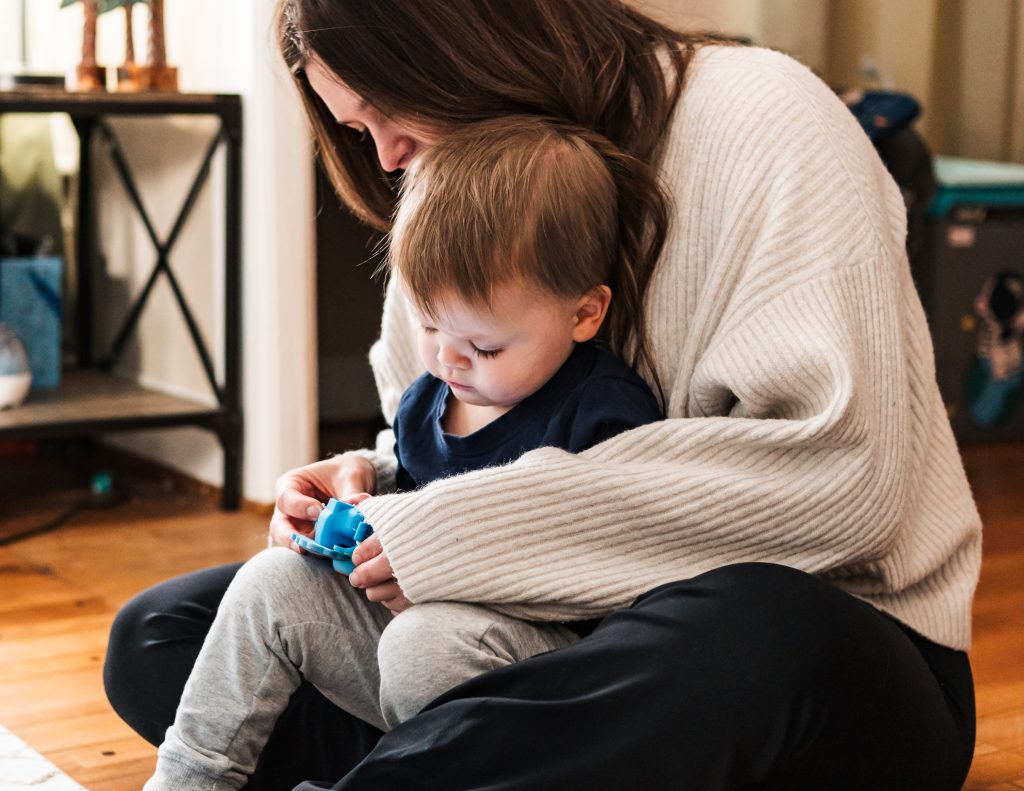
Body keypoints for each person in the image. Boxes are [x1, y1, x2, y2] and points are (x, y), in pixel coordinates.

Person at [105, 2, 982, 789]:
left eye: (388, 109)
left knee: (762, 630)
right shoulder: (450, 191)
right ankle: (482, 764)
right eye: (356, 128)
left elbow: (841, 486)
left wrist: (452, 534)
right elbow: (444, 445)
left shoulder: (766, 118)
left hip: (829, 646)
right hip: (509, 643)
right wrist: (365, 481)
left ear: (460, 38)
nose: (387, 159)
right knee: (160, 635)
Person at [142, 118, 663, 790]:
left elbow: (617, 549)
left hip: (539, 673)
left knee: (426, 644)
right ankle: (188, 779)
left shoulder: (603, 410)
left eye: (485, 346)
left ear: (584, 314)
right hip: (400, 651)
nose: (447, 358)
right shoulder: (429, 398)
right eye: (427, 324)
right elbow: (410, 485)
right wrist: (363, 498)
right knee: (270, 580)